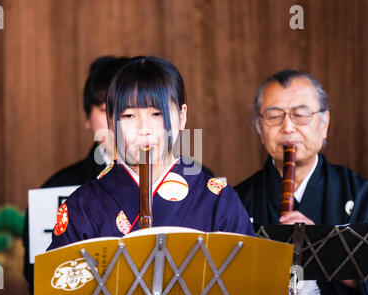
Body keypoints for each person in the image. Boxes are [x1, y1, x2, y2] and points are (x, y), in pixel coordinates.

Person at [47, 56, 255, 251]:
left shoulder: (217, 199)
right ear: (111, 123)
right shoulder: (83, 206)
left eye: (157, 113)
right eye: (129, 115)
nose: (144, 128)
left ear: (182, 116)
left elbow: (249, 281)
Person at [234, 69, 368, 295]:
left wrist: (319, 246)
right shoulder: (237, 200)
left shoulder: (361, 194)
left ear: (324, 123)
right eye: (274, 115)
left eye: (300, 115)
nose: (287, 127)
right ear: (260, 128)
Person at [23, 56, 130, 295]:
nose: (117, 121)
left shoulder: (194, 181)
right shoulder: (57, 189)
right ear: (87, 118)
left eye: (128, 110)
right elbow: (42, 281)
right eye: (105, 110)